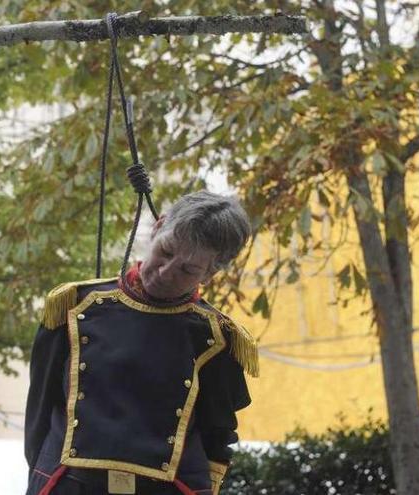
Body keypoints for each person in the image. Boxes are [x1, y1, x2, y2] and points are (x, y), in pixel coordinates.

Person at [24, 191, 257, 495]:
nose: (164, 272)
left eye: (187, 269)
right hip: (67, 486)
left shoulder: (217, 336)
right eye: (166, 251)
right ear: (158, 226)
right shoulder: (74, 306)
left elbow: (217, 437)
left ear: (211, 273)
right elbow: (39, 412)